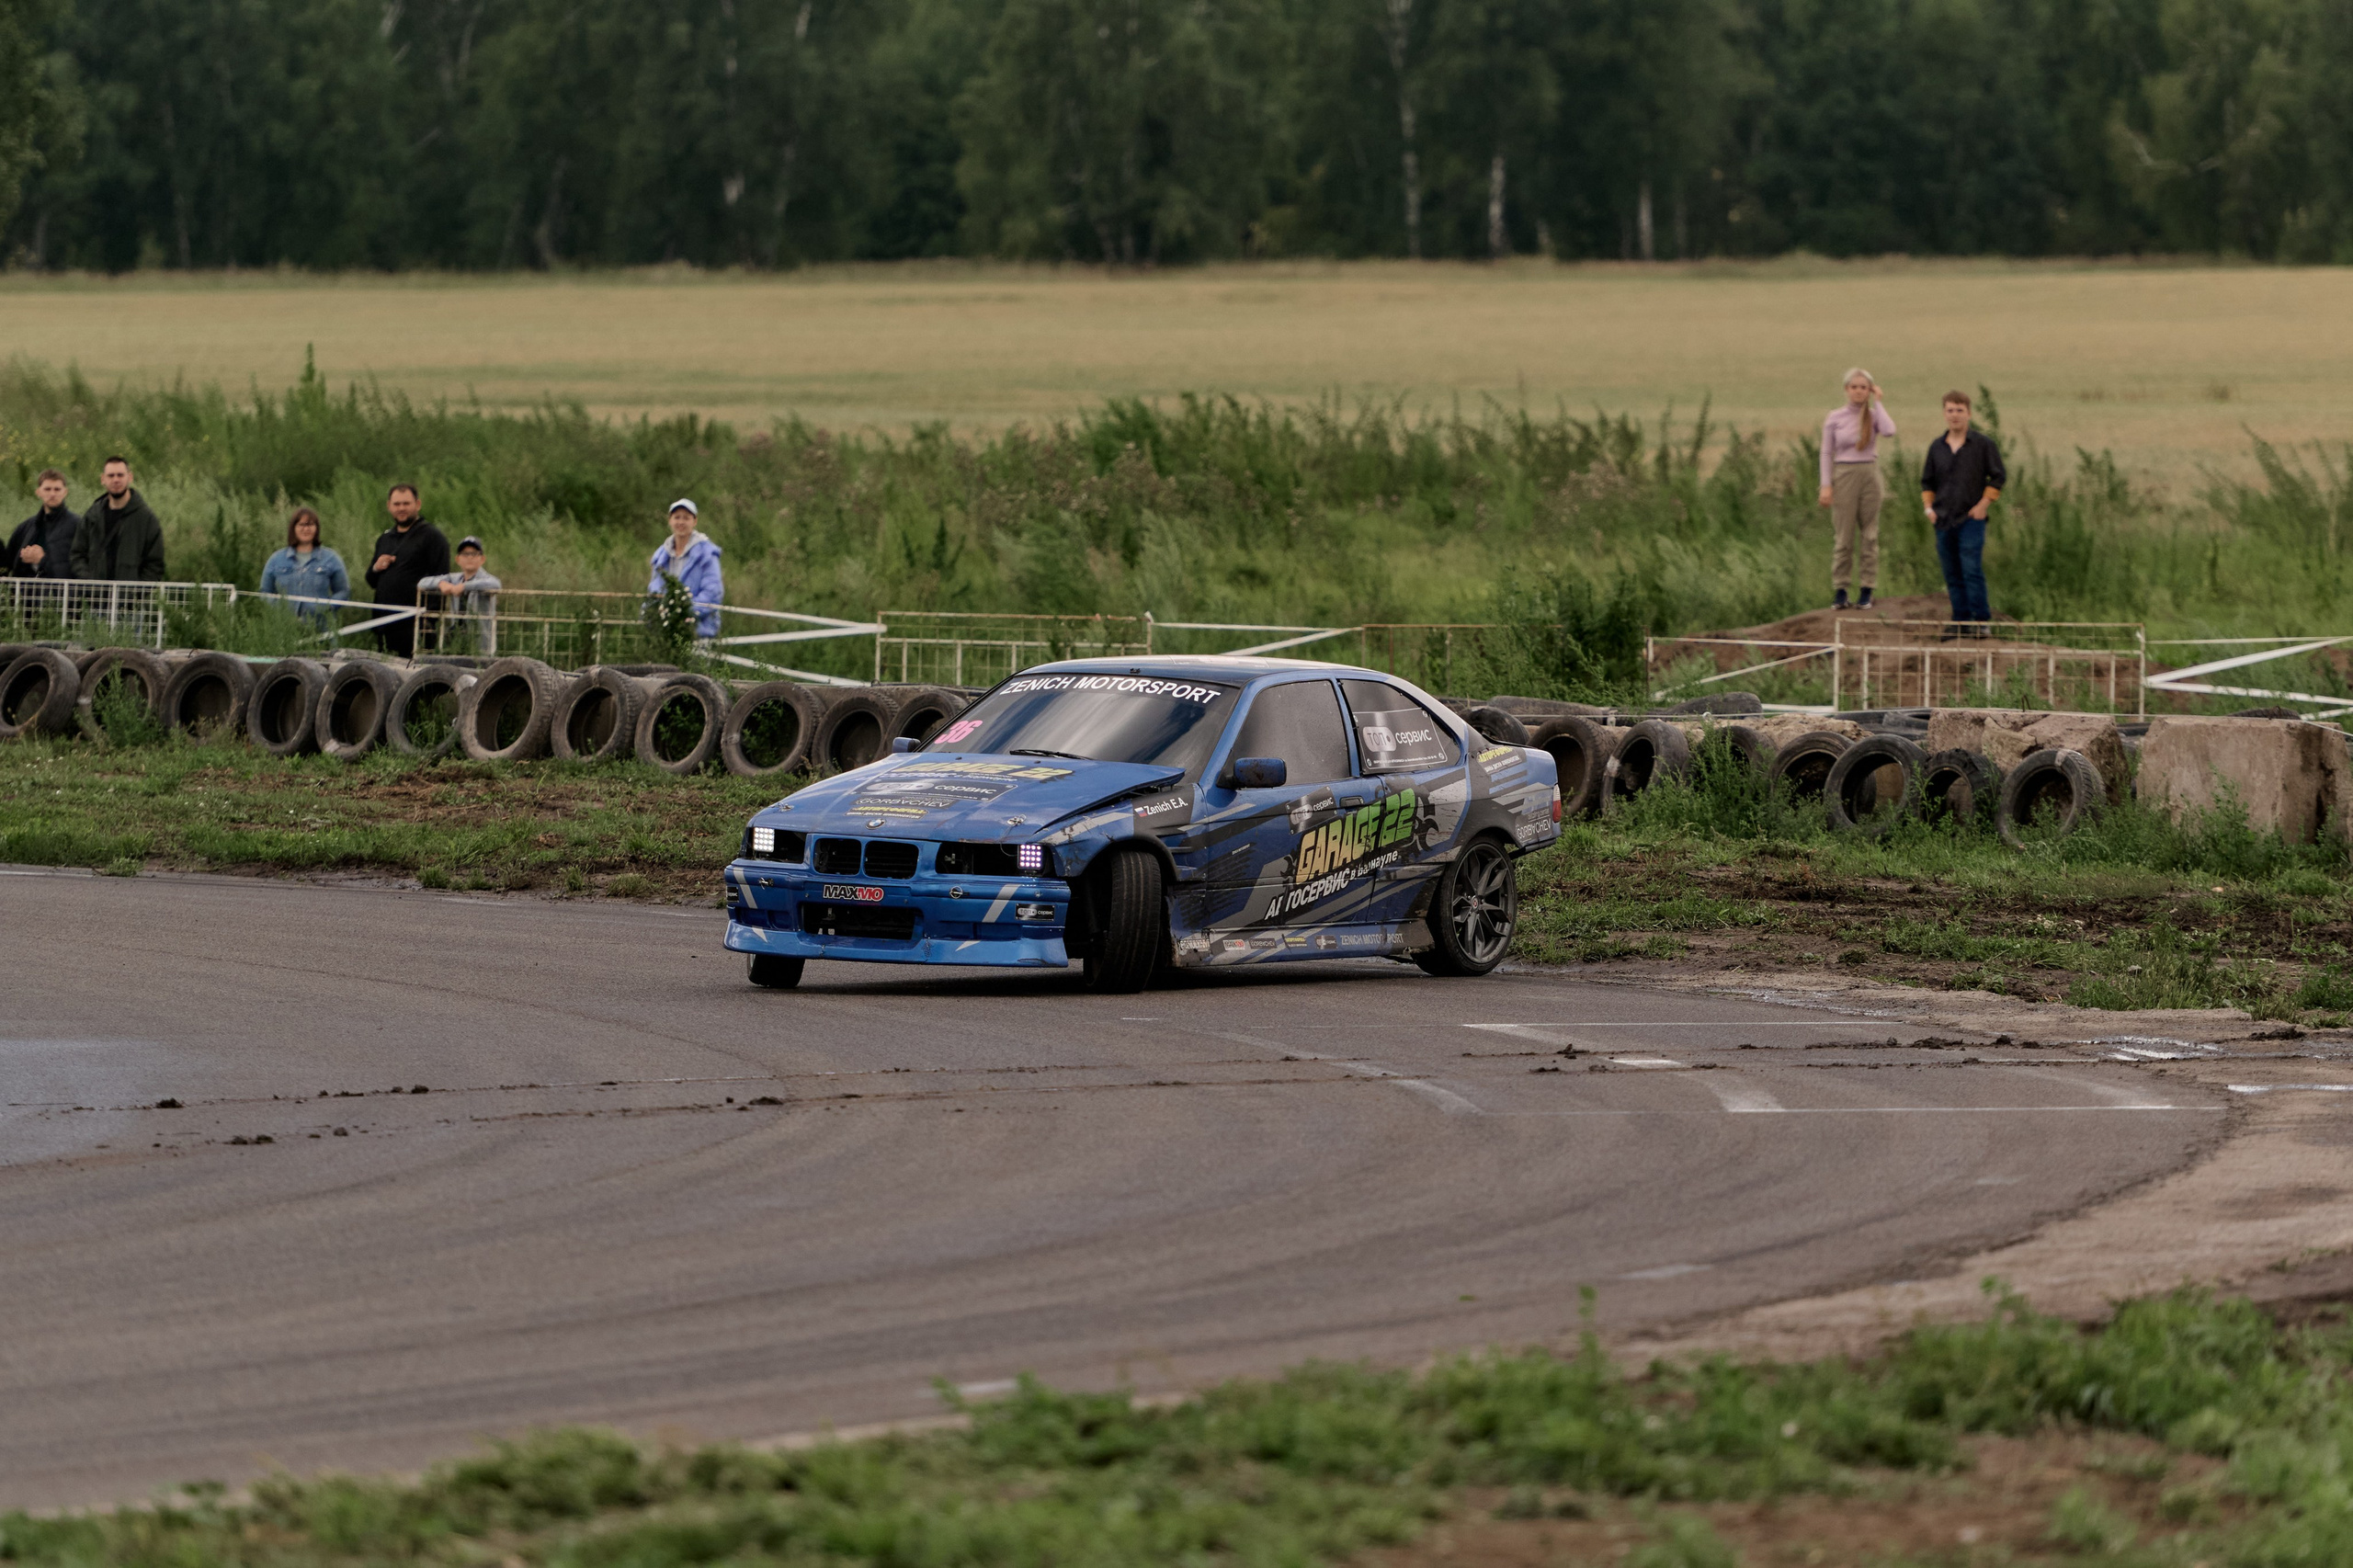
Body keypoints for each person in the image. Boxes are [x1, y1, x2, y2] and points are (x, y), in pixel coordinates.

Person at [1920, 390, 2006, 636]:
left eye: (1959, 410)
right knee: (1952, 572)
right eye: (1950, 410)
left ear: (1969, 414)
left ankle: (1981, 622)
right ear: (1944, 414)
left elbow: (1999, 476)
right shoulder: (1937, 447)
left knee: (1971, 569)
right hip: (1943, 519)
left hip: (1971, 518)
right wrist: (1929, 509)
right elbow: (1927, 481)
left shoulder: (1982, 445)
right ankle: (1960, 621)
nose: (1955, 415)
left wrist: (1983, 505)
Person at [1818, 368, 1894, 610]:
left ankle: (1867, 589)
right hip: (1844, 473)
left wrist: (1878, 403)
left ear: (1869, 390)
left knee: (1870, 535)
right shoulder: (1835, 417)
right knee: (1843, 537)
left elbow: (1890, 431)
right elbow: (1826, 452)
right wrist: (1826, 484)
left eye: (1864, 387)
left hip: (1870, 473)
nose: (1859, 391)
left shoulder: (1873, 416)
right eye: (1854, 387)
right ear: (1846, 390)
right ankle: (1841, 589)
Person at [363, 483, 450, 657]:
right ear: (389, 506)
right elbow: (371, 581)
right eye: (396, 504)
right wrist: (376, 567)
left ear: (417, 504)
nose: (401, 508)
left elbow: (442, 580)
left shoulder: (432, 537)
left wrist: (429, 619)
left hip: (414, 625)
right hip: (384, 624)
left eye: (406, 504)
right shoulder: (385, 538)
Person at [71, 457, 167, 581]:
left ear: (130, 477)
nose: (116, 480)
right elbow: (77, 554)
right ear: (103, 479)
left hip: (128, 597)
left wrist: (136, 593)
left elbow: (155, 563)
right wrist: (89, 583)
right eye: (111, 476)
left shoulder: (145, 518)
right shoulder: (92, 516)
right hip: (96, 597)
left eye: (120, 475)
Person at [257, 507, 351, 625]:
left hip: (322, 627)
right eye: (301, 525)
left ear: (316, 529)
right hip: (284, 628)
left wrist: (325, 608)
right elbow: (265, 592)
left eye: (310, 525)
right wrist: (281, 610)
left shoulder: (331, 558)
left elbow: (343, 591)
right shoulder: (276, 559)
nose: (306, 529)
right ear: (293, 528)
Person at [646, 498, 723, 639]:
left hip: (699, 631)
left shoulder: (707, 553)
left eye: (686, 518)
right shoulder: (661, 555)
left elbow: (713, 592)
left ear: (694, 521)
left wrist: (685, 614)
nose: (681, 522)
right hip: (664, 631)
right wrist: (658, 614)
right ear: (670, 520)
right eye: (677, 517)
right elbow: (655, 590)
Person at [417, 536, 502, 654]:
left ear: (482, 559)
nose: (469, 558)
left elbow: (496, 584)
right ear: (458, 559)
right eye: (465, 554)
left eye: (474, 554)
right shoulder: (454, 578)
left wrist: (464, 587)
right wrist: (441, 583)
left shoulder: (487, 579)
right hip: (457, 640)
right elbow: (422, 583)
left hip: (480, 645)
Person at [6, 469, 77, 580]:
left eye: (57, 489)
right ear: (38, 492)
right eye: (47, 489)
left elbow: (81, 566)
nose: (52, 494)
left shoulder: (77, 525)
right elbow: (8, 563)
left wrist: (42, 560)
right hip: (27, 595)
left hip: (63, 594)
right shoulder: (25, 528)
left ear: (65, 492)